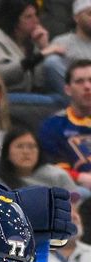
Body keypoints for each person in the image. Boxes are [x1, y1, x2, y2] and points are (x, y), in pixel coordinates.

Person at [0, 0, 65, 105]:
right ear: (13, 19)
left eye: (36, 15)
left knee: (59, 97)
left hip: (25, 94)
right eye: (28, 17)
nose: (36, 21)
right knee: (58, 101)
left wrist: (44, 46)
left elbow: (39, 82)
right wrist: (41, 55)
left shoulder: (31, 42)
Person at [39, 59, 91, 195]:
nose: (87, 86)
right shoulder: (53, 126)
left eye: (90, 80)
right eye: (79, 81)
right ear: (67, 89)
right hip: (78, 189)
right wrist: (80, 177)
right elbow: (54, 171)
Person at [0, 126, 89, 198]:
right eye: (19, 146)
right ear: (7, 153)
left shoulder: (58, 175)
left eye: (31, 146)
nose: (26, 152)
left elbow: (73, 203)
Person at [42, 0, 91, 100]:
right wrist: (44, 47)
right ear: (76, 17)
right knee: (52, 62)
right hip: (70, 97)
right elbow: (43, 78)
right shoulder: (61, 42)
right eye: (90, 14)